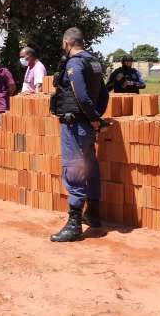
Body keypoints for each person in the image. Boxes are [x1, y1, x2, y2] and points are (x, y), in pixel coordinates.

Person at [49, 27, 109, 242]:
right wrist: (97, 117)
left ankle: (74, 225)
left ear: (67, 43)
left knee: (74, 169)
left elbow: (81, 96)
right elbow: (104, 93)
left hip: (75, 124)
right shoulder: (93, 62)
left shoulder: (74, 63)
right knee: (90, 166)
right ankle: (93, 214)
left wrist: (93, 118)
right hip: (87, 125)